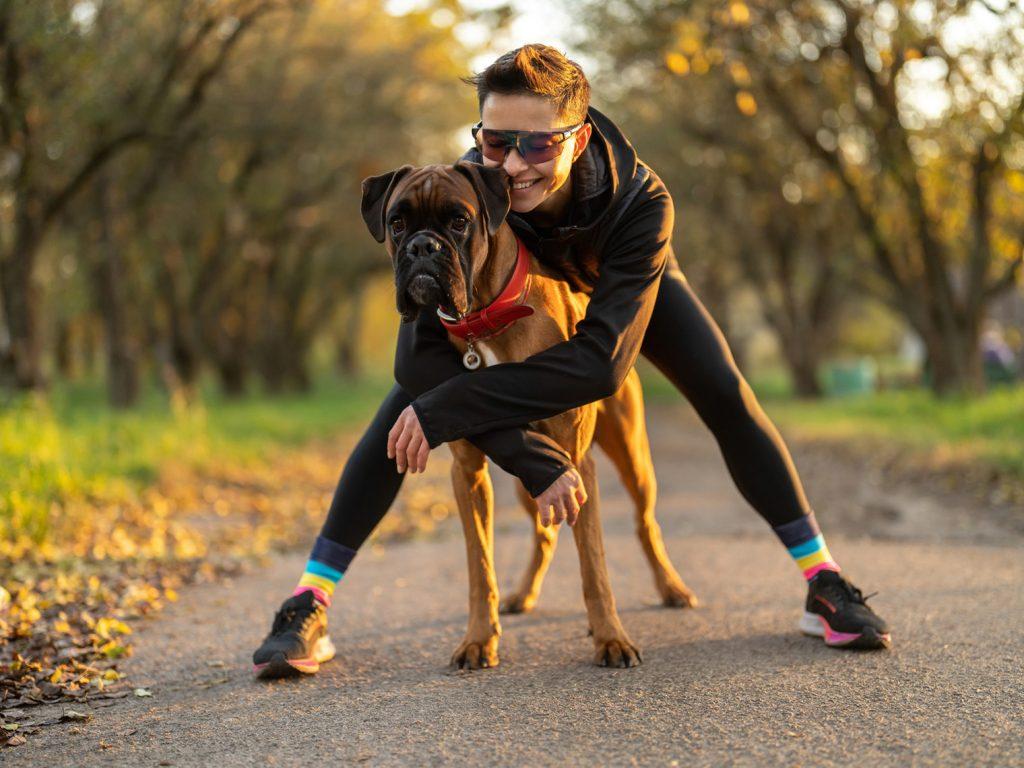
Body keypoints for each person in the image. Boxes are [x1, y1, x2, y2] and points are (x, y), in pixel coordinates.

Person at [252, 44, 891, 678]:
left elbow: (600, 367)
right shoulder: (469, 189)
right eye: (497, 140)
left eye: (539, 145)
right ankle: (310, 598)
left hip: (614, 283)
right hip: (512, 296)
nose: (515, 164)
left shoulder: (642, 203)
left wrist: (458, 409)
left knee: (725, 393)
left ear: (578, 139)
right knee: (403, 414)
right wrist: (504, 442)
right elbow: (417, 359)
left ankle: (824, 581)